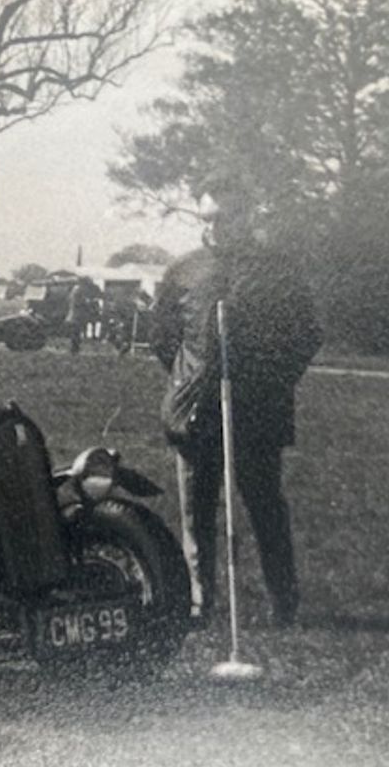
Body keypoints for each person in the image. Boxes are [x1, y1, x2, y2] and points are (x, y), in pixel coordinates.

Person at [151, 176, 322, 628]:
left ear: (249, 215)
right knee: (197, 513)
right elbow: (163, 337)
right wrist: (191, 381)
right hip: (196, 413)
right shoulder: (183, 270)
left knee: (266, 507)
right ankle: (200, 602)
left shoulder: (278, 269)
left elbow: (305, 335)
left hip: (256, 412)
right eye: (210, 218)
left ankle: (284, 605)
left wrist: (270, 381)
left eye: (229, 217)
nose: (220, 227)